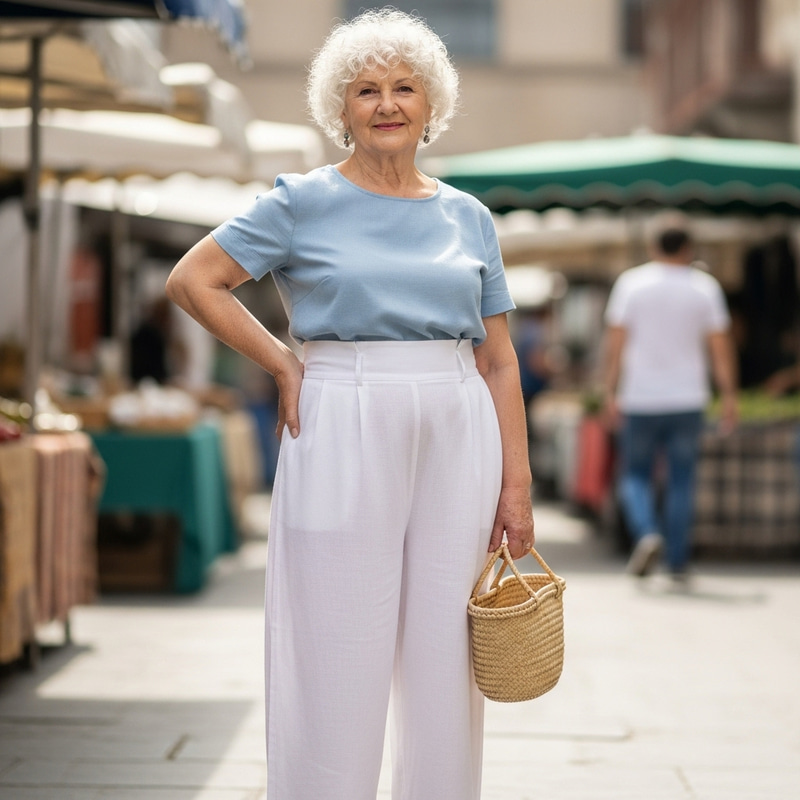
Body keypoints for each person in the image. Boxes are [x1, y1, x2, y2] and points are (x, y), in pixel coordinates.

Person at [165, 9, 534, 799]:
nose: (387, 104)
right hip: (341, 410)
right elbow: (194, 281)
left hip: (456, 417)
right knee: (336, 641)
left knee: (445, 650)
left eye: (405, 88)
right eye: (366, 89)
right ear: (340, 107)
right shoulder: (301, 202)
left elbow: (499, 360)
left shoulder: (469, 216)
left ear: (432, 105)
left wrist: (517, 487)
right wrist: (281, 362)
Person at [602, 224, 738, 582]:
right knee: (682, 480)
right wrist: (729, 396)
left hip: (640, 396)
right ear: (688, 247)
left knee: (634, 475)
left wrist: (609, 392)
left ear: (652, 245)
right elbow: (720, 349)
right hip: (688, 396)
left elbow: (615, 345)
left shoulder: (631, 284)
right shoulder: (705, 287)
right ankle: (677, 561)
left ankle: (647, 532)